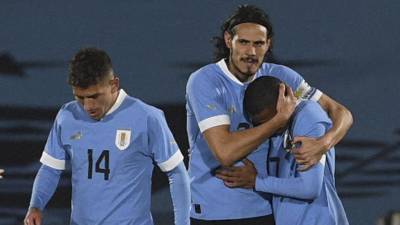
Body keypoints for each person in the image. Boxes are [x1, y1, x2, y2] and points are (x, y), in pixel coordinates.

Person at [185, 4, 352, 225]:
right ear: (228, 40)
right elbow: (225, 153)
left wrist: (324, 143)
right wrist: (278, 121)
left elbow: (341, 112)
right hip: (215, 211)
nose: (251, 52)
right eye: (243, 42)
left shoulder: (282, 78)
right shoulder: (205, 81)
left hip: (264, 207)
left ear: (268, 44)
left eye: (258, 43)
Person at [24, 47, 190, 225]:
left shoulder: (148, 117)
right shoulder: (67, 116)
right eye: (80, 97)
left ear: (114, 84)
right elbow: (50, 169)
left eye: (94, 96)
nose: (88, 106)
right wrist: (35, 206)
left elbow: (177, 173)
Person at [216, 76, 349, 225]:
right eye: (262, 124)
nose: (270, 127)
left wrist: (257, 181)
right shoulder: (277, 128)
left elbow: (310, 187)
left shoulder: (309, 116)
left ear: (285, 100)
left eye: (274, 119)